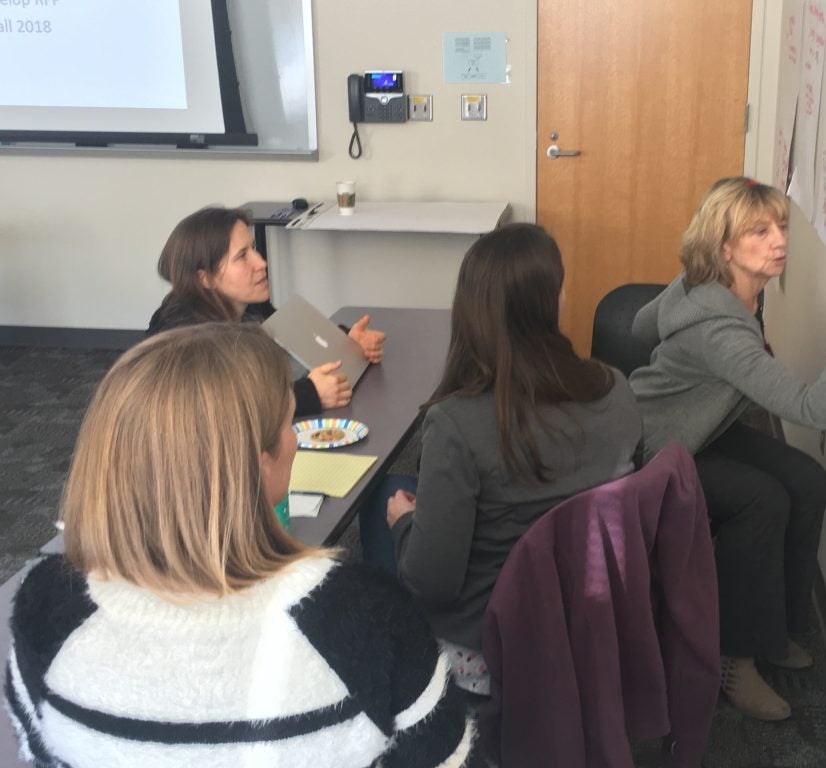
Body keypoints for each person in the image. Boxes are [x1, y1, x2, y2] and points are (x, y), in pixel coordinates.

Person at [4, 324, 476, 768]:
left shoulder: (44, 607)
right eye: (291, 425)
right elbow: (443, 757)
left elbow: (44, 751)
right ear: (256, 463)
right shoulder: (367, 615)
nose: (296, 441)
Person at [628, 177, 826, 721]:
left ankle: (777, 629)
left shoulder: (710, 282)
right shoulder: (721, 330)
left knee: (808, 480)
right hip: (658, 448)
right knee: (762, 500)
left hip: (704, 428)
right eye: (759, 231)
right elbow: (812, 408)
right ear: (724, 248)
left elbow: (639, 325)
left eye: (782, 227)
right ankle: (735, 657)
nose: (779, 241)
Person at [380, 223, 643, 696]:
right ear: (553, 302)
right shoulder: (616, 388)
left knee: (389, 502)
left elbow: (431, 583)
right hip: (594, 620)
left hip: (490, 647)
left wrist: (403, 523)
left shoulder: (455, 424)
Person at [146, 206, 386, 417]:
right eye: (242, 256)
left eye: (253, 249)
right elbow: (220, 409)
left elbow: (292, 339)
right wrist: (308, 395)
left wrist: (346, 341)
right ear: (205, 278)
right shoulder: (183, 336)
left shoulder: (246, 303)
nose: (261, 263)